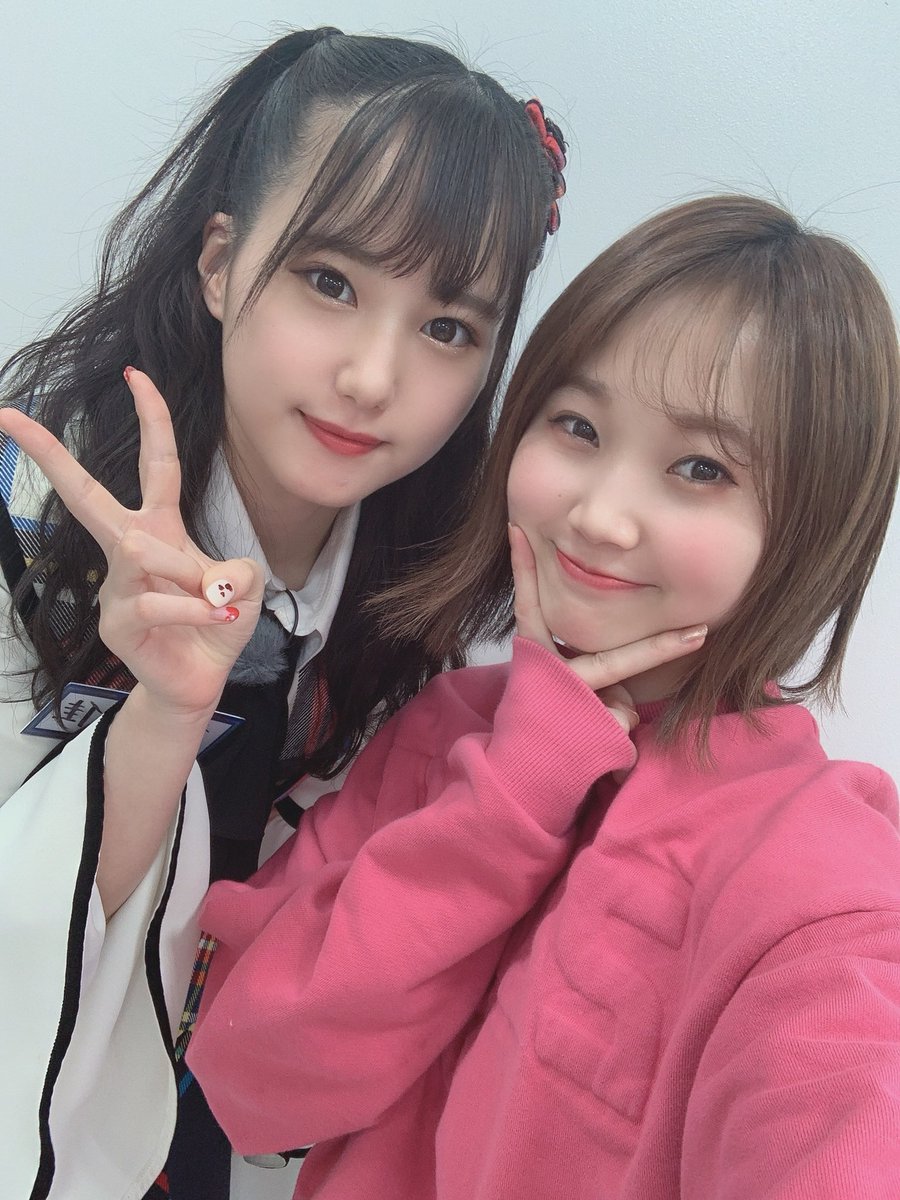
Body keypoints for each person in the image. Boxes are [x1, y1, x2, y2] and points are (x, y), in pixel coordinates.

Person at [183, 195, 899, 1198]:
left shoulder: (819, 876)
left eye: (701, 468)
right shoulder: (447, 733)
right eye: (578, 426)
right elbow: (248, 1078)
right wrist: (509, 799)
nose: (600, 516)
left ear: (816, 525)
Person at [0, 26, 568, 1200]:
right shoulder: (39, 515)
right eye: (330, 282)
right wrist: (163, 710)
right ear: (220, 264)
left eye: (447, 328)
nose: (372, 377)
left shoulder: (439, 594)